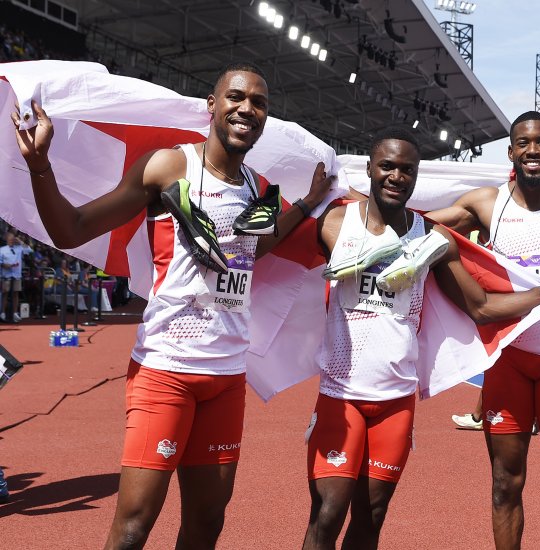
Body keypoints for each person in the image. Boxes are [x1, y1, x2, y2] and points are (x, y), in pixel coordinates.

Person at [10, 61, 332, 548]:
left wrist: (307, 204)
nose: (248, 108)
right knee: (133, 529)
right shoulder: (169, 166)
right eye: (236, 97)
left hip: (226, 379)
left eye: (259, 103)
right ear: (212, 105)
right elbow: (70, 229)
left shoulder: (261, 190)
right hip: (166, 372)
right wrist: (39, 165)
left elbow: (253, 250)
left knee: (207, 525)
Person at [302, 128, 540, 549]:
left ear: (416, 176)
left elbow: (482, 308)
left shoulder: (430, 238)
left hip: (395, 400)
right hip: (339, 393)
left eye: (406, 170)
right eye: (387, 167)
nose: (396, 176)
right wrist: (310, 200)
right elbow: (271, 246)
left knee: (372, 518)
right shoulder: (336, 222)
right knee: (327, 516)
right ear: (369, 169)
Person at [427, 111, 540, 550]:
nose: (533, 150)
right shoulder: (490, 204)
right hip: (508, 362)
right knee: (504, 485)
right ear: (511, 152)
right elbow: (419, 227)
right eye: (524, 143)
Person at [0, 231, 28, 322]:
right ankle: (3, 313)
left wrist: (20, 241)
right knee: (5, 293)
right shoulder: (2, 249)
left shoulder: (19, 248)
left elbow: (29, 250)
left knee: (16, 293)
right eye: (10, 239)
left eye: (13, 239)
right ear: (6, 239)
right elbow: (0, 261)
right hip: (6, 275)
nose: (12, 240)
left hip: (16, 275)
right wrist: (5, 265)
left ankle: (15, 313)